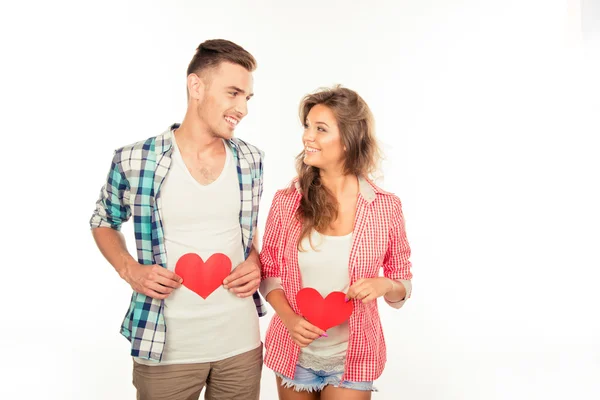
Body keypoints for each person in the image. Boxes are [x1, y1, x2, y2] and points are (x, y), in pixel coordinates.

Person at [89, 39, 265, 400]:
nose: (242, 108)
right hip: (165, 348)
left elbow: (246, 229)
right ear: (196, 86)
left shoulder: (251, 159)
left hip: (241, 346)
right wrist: (129, 269)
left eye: (247, 98)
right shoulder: (136, 159)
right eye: (233, 93)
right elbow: (103, 219)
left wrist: (255, 260)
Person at [259, 85, 413, 399]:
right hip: (293, 352)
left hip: (353, 356)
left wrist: (383, 285)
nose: (307, 137)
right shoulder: (287, 202)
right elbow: (269, 273)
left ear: (348, 140)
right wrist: (289, 319)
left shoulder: (385, 207)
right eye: (306, 126)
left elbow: (403, 282)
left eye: (320, 129)